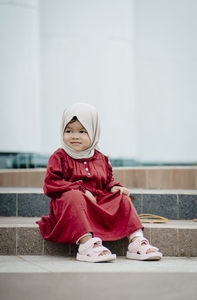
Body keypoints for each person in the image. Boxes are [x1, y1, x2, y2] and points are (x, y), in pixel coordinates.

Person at [37, 103, 162, 262]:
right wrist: (80, 190)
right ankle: (87, 245)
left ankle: (136, 242)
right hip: (71, 209)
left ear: (94, 132)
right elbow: (51, 184)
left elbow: (107, 181)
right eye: (69, 131)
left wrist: (114, 187)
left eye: (82, 131)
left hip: (98, 204)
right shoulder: (59, 157)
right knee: (74, 197)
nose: (75, 136)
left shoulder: (100, 158)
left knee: (122, 198)